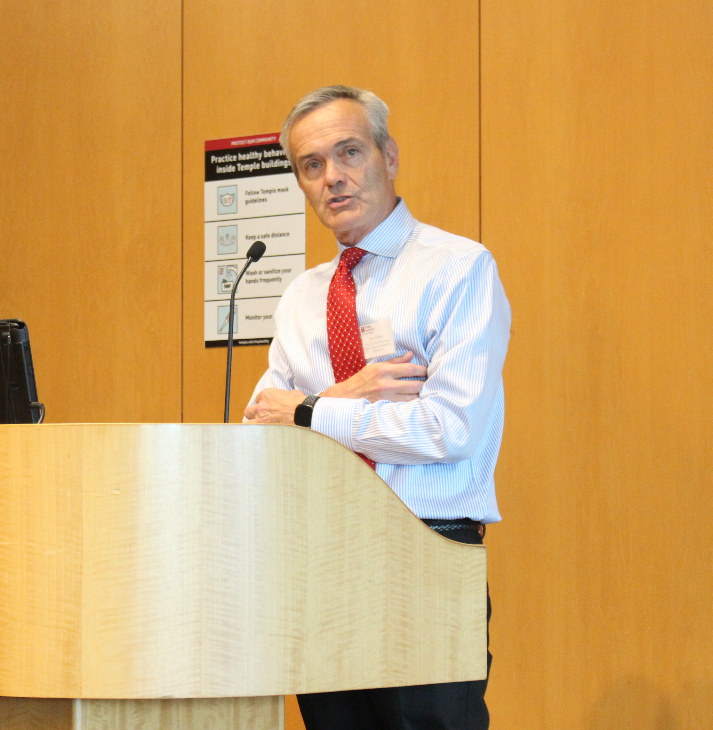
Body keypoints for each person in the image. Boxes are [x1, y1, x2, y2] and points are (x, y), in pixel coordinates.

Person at [243, 85, 511, 730]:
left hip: (426, 550)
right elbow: (259, 430)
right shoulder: (301, 296)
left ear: (388, 157)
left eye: (349, 152)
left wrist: (309, 413)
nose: (332, 177)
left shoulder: (457, 269)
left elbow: (450, 430)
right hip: (319, 557)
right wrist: (337, 397)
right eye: (312, 165)